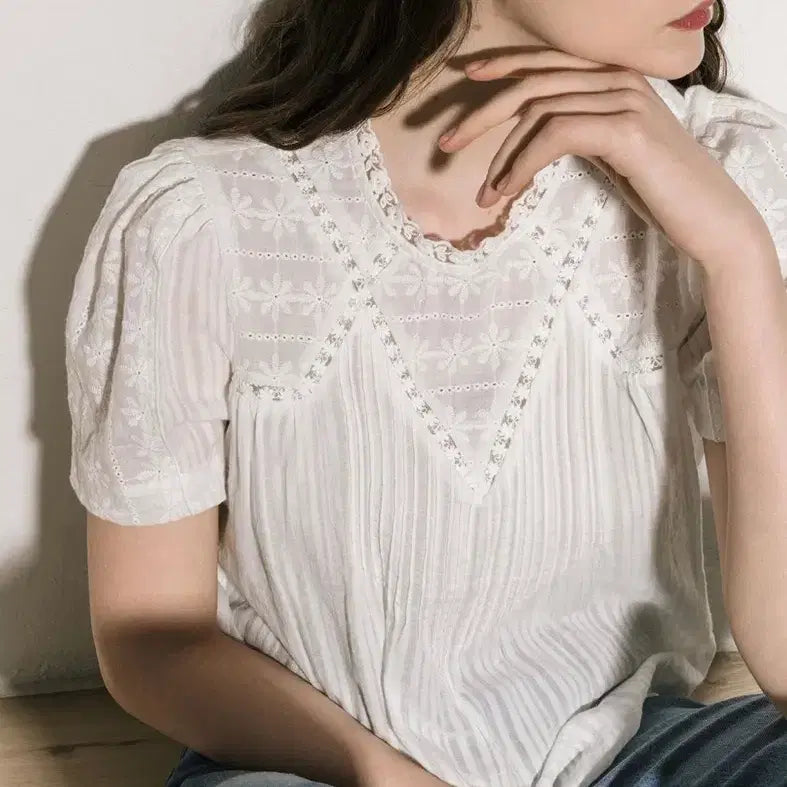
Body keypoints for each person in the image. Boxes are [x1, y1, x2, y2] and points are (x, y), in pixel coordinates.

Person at [64, 0, 787, 785]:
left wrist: (737, 256)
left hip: (636, 753)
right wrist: (382, 774)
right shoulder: (201, 219)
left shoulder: (728, 170)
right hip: (324, 767)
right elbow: (151, 637)